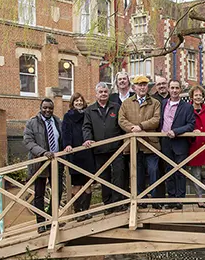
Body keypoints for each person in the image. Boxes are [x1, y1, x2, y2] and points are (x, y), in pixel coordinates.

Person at [119, 75, 161, 206]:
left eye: (144, 85)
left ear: (147, 87)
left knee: (153, 171)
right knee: (137, 173)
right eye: (139, 85)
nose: (142, 87)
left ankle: (154, 200)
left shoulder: (155, 103)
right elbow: (121, 120)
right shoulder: (126, 103)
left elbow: (156, 120)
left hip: (150, 144)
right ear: (134, 87)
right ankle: (140, 200)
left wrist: (141, 126)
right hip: (133, 145)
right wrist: (133, 129)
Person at [83, 82, 126, 211]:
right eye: (100, 92)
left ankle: (117, 203)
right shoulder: (90, 110)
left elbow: (122, 125)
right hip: (100, 150)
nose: (103, 94)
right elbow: (86, 127)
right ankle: (107, 205)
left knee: (119, 175)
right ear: (96, 94)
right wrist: (88, 139)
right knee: (104, 178)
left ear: (108, 93)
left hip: (116, 148)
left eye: (105, 92)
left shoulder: (116, 107)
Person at [24, 98, 64, 233]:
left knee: (57, 191)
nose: (47, 110)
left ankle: (52, 219)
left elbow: (62, 139)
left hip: (56, 162)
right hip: (39, 162)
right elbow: (28, 142)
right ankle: (40, 223)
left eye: (50, 108)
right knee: (39, 194)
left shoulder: (58, 121)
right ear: (41, 108)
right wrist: (43, 153)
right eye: (45, 108)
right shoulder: (32, 122)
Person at [159, 79, 196, 208]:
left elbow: (191, 125)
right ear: (168, 89)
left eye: (177, 88)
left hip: (179, 142)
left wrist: (176, 131)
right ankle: (171, 199)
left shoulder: (187, 106)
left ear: (180, 90)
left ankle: (180, 200)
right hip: (165, 142)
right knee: (168, 172)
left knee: (180, 173)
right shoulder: (163, 104)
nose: (174, 91)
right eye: (172, 88)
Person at [61, 93, 96, 216]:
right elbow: (65, 132)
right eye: (76, 101)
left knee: (87, 183)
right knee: (77, 184)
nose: (79, 103)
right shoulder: (67, 116)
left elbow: (91, 129)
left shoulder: (88, 114)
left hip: (87, 152)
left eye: (81, 101)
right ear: (72, 103)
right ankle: (78, 212)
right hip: (74, 154)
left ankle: (86, 211)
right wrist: (67, 145)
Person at [187, 86, 205, 207]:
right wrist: (192, 132)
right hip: (195, 145)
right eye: (196, 95)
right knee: (196, 174)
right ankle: (199, 197)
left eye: (200, 95)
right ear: (192, 97)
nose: (198, 97)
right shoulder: (187, 109)